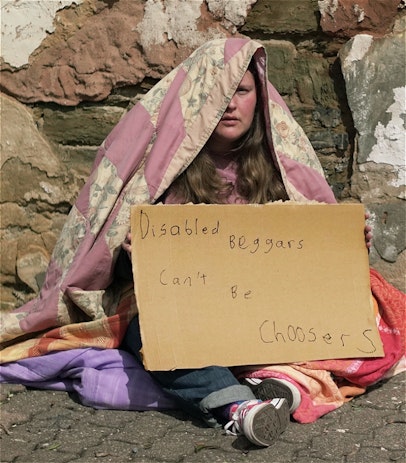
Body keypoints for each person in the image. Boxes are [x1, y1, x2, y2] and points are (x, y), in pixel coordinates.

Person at [0, 38, 403, 448]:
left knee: (367, 307)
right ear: (197, 101)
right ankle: (237, 406)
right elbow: (109, 260)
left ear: (257, 97)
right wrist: (134, 254)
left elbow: (309, 250)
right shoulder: (161, 170)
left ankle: (282, 387)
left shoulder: (280, 163)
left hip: (265, 306)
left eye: (241, 92)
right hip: (192, 307)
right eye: (219, 94)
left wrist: (347, 243)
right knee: (151, 330)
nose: (230, 104)